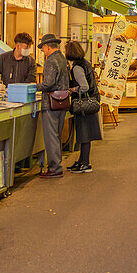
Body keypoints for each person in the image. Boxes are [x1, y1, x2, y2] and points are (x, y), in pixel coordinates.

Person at [36, 34, 70, 178]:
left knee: (51, 136)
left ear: (47, 47)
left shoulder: (50, 60)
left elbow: (48, 83)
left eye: (43, 48)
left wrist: (34, 86)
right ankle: (56, 164)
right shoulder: (62, 58)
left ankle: (55, 168)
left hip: (51, 103)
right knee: (57, 134)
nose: (43, 51)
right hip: (62, 101)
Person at [65, 40, 100, 173]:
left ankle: (85, 163)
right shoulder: (85, 63)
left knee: (84, 135)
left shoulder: (77, 67)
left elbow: (84, 87)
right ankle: (81, 161)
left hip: (84, 105)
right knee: (85, 135)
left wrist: (72, 90)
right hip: (91, 102)